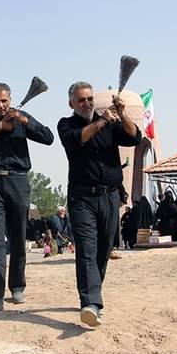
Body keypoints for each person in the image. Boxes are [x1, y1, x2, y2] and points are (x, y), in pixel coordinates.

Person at [57, 81, 141, 326]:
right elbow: (77, 139)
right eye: (81, 100)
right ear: (71, 103)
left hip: (110, 196)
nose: (86, 103)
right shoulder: (66, 125)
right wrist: (103, 120)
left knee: (104, 249)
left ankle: (93, 293)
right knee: (87, 249)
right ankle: (90, 302)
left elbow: (135, 137)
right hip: (82, 198)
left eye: (90, 99)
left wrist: (122, 113)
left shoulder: (112, 122)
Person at [0, 82, 54, 311]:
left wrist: (24, 120)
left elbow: (48, 137)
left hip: (18, 181)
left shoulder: (21, 116)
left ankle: (17, 286)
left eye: (4, 100)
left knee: (18, 236)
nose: (1, 105)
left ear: (10, 99)